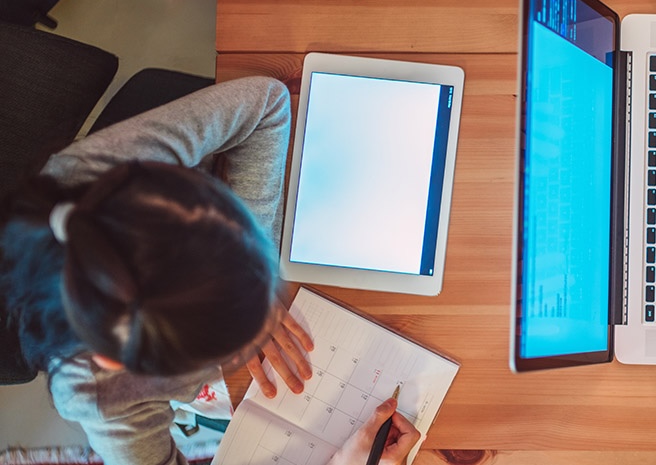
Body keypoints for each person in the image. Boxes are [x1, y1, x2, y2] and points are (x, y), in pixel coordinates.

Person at [0, 76, 418, 465]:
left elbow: (268, 100)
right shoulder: (101, 395)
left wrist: (256, 288)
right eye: (234, 347)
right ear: (119, 360)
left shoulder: (119, 174)